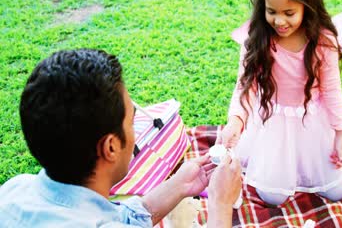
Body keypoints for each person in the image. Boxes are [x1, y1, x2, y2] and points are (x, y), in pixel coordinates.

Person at [0, 49, 241, 227]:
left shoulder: (14, 190)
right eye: (132, 120)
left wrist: (180, 185)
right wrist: (220, 205)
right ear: (111, 147)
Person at [218, 0, 342, 206]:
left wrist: (340, 133)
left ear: (307, 6)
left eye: (289, 13)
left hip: (312, 122)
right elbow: (245, 86)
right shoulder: (257, 38)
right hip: (274, 123)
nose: (279, 20)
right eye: (272, 11)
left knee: (339, 191)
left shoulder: (322, 41)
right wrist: (236, 121)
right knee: (272, 195)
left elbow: (332, 90)